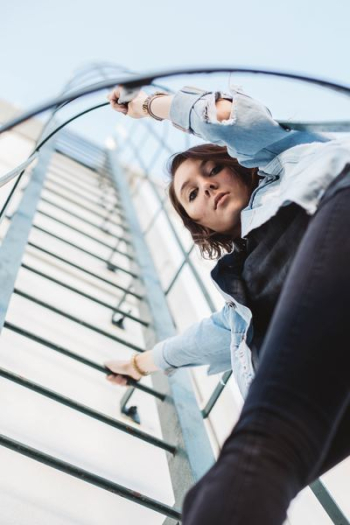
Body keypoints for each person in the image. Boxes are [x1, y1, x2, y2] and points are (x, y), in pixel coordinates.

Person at [106, 84, 350, 524]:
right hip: (333, 363)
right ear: (197, 223)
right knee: (238, 475)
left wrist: (149, 105)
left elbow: (227, 116)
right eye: (192, 194)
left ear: (238, 165)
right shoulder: (241, 295)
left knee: (260, 444)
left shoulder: (283, 160)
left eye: (213, 168)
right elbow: (203, 341)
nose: (208, 185)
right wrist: (139, 364)